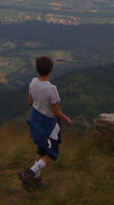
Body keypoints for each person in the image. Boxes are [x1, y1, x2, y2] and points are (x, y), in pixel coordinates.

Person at [18, 56, 72, 191]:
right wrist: (66, 118)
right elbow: (56, 112)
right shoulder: (51, 89)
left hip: (35, 119)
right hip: (48, 124)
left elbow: (30, 102)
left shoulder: (33, 82)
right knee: (52, 153)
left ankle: (36, 181)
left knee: (41, 149)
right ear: (51, 70)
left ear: (37, 69)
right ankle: (30, 172)